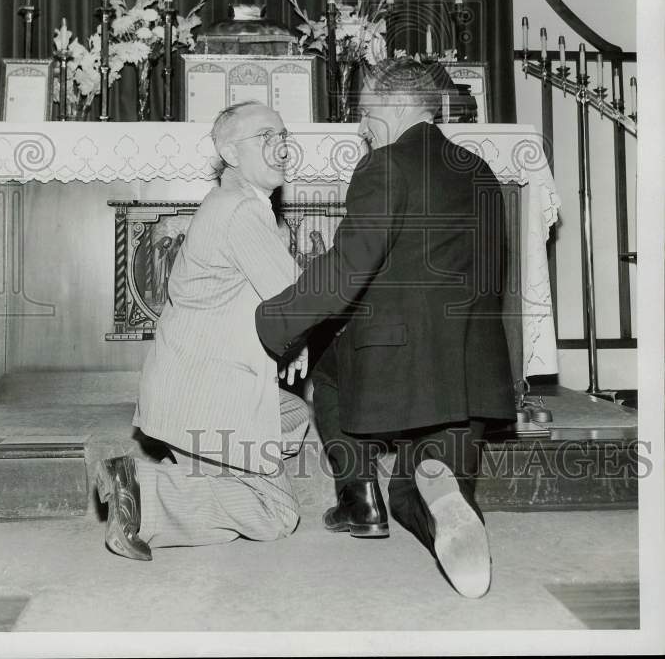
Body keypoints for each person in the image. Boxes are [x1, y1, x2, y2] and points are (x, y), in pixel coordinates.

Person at [255, 58, 515, 598]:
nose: (362, 127)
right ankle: (439, 493)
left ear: (397, 105)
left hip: (398, 362)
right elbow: (490, 269)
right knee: (420, 488)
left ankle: (357, 494)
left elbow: (347, 271)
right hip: (469, 370)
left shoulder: (385, 165)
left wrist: (275, 321)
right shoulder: (480, 168)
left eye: (367, 112)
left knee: (325, 372)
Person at [96, 101, 309, 561]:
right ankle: (144, 490)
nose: (280, 148)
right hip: (207, 397)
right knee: (277, 514)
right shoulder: (240, 211)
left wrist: (295, 339)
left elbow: (276, 300)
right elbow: (299, 296)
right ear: (231, 153)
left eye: (283, 135)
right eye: (264, 137)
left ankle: (210, 474)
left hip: (187, 390)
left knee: (292, 414)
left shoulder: (231, 203)